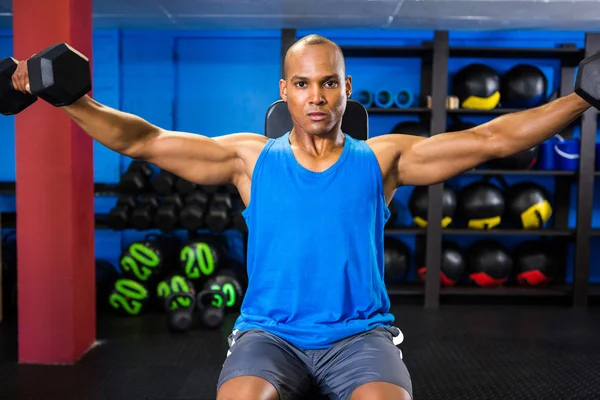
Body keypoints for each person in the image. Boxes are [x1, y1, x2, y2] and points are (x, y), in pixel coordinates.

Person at [11, 34, 592, 400]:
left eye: (329, 82)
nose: (318, 96)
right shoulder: (249, 160)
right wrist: (69, 100)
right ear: (285, 91)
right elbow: (146, 141)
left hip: (360, 336)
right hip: (270, 335)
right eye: (304, 83)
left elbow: (490, 139)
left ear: (346, 89)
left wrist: (583, 97)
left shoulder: (383, 159)